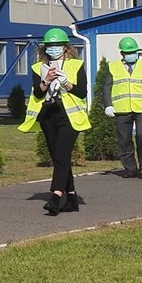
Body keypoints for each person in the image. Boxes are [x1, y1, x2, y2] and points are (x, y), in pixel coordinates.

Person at [19, 27, 90, 215]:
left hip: (69, 116)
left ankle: (56, 196)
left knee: (62, 156)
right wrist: (46, 80)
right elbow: (37, 92)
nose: (53, 48)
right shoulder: (39, 67)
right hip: (48, 116)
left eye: (57, 45)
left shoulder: (76, 65)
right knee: (58, 158)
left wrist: (67, 83)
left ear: (66, 47)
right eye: (50, 46)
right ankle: (72, 197)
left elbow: (82, 92)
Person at [104, 36, 142, 178]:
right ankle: (129, 167)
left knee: (141, 136)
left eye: (134, 52)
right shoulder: (113, 66)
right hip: (121, 109)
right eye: (129, 53)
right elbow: (107, 87)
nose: (132, 55)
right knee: (124, 139)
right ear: (122, 53)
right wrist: (108, 105)